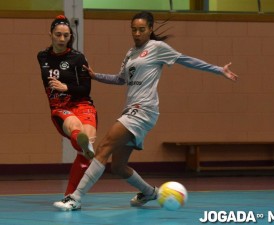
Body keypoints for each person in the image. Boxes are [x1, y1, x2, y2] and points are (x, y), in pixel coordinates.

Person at [53, 11, 238, 211]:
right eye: (134, 29)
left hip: (143, 110)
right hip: (132, 110)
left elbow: (186, 60)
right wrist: (95, 76)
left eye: (142, 29)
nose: (137, 33)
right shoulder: (131, 53)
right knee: (118, 167)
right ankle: (150, 193)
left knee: (103, 147)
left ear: (150, 29)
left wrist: (218, 69)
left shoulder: (158, 48)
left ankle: (75, 198)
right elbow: (121, 79)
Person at [37, 15, 97, 196]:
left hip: (82, 103)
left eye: (66, 35)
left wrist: (66, 87)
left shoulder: (78, 58)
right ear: (51, 35)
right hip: (59, 107)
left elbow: (85, 89)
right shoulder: (42, 56)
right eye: (58, 35)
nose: (62, 39)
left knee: (88, 143)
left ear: (71, 36)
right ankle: (83, 145)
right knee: (75, 127)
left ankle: (71, 197)